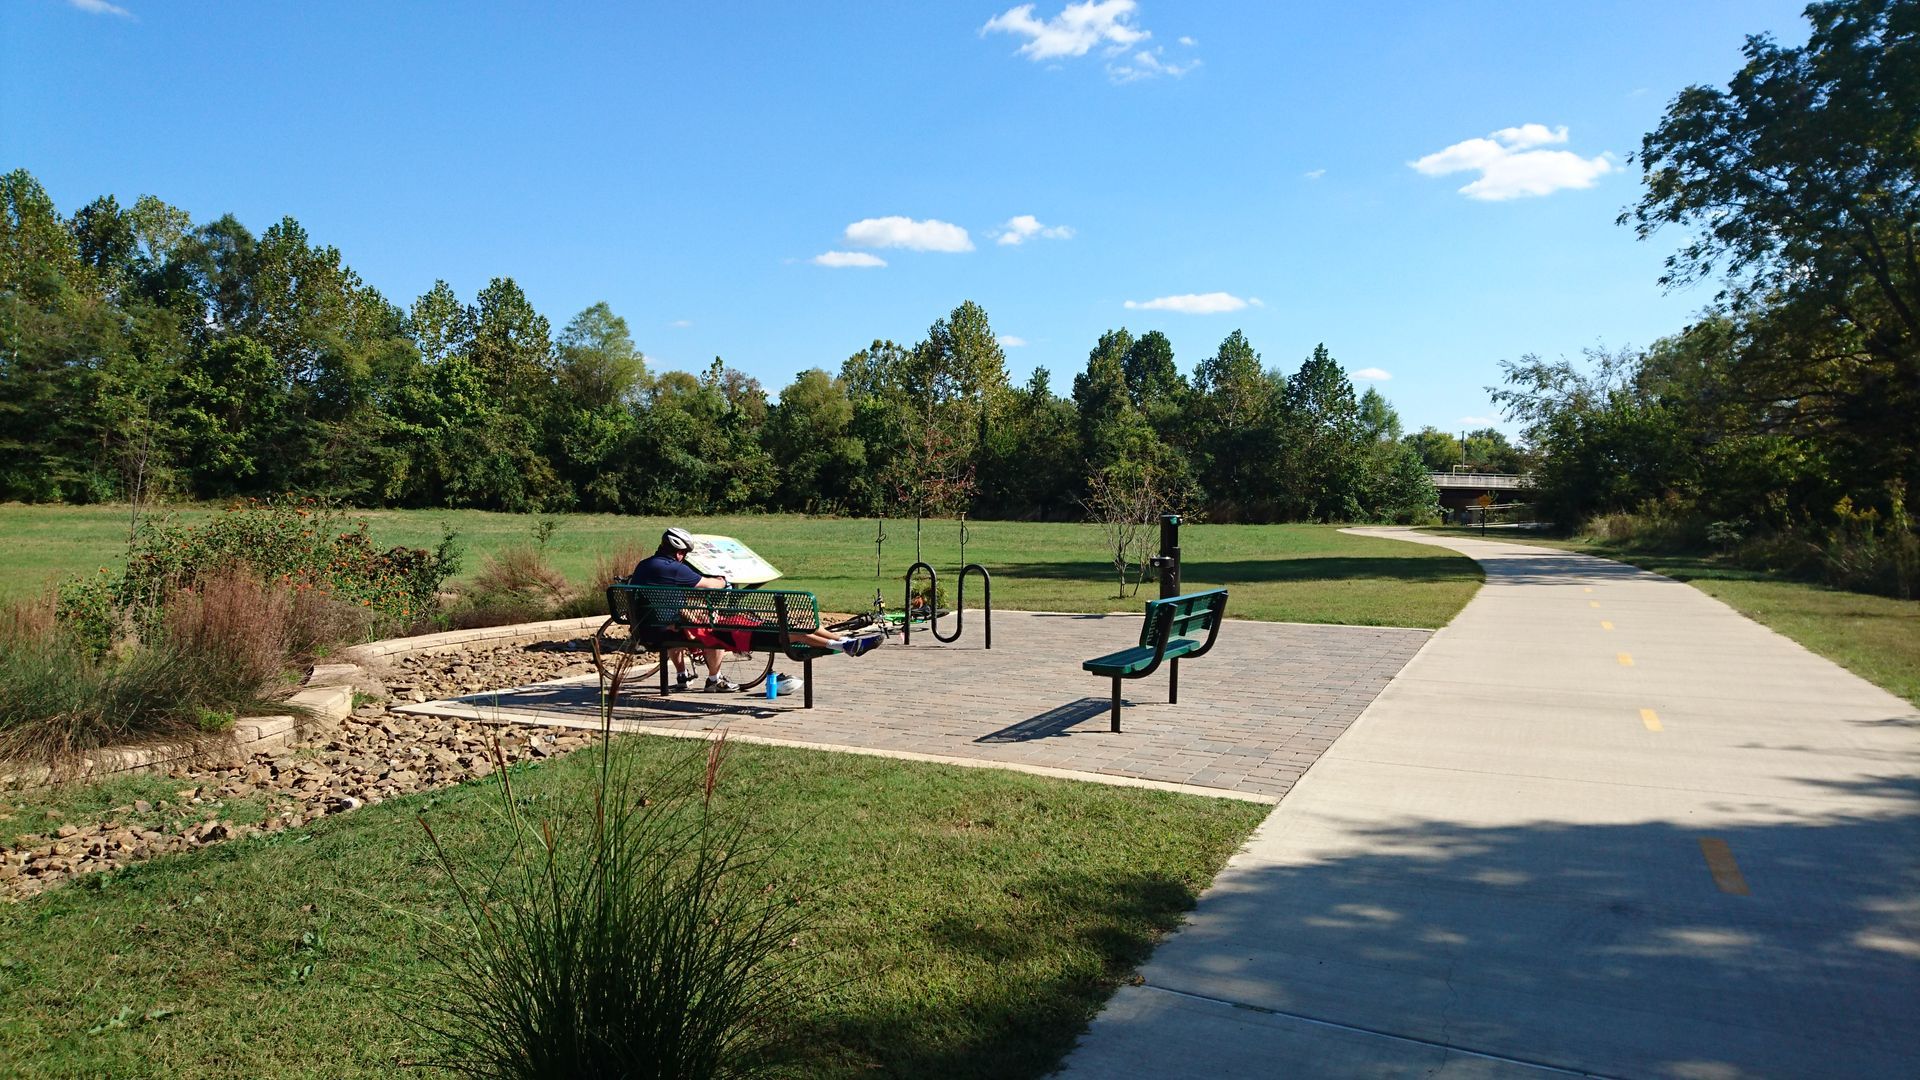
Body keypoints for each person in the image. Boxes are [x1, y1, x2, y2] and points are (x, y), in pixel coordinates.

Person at [629, 527, 882, 693]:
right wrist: (723, 582)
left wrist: (690, 615)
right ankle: (843, 645)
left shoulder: (644, 565)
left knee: (795, 626)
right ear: (679, 552)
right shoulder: (674, 569)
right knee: (794, 629)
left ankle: (846, 642)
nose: (684, 556)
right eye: (684, 552)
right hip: (692, 629)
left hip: (650, 626)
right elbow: (711, 585)